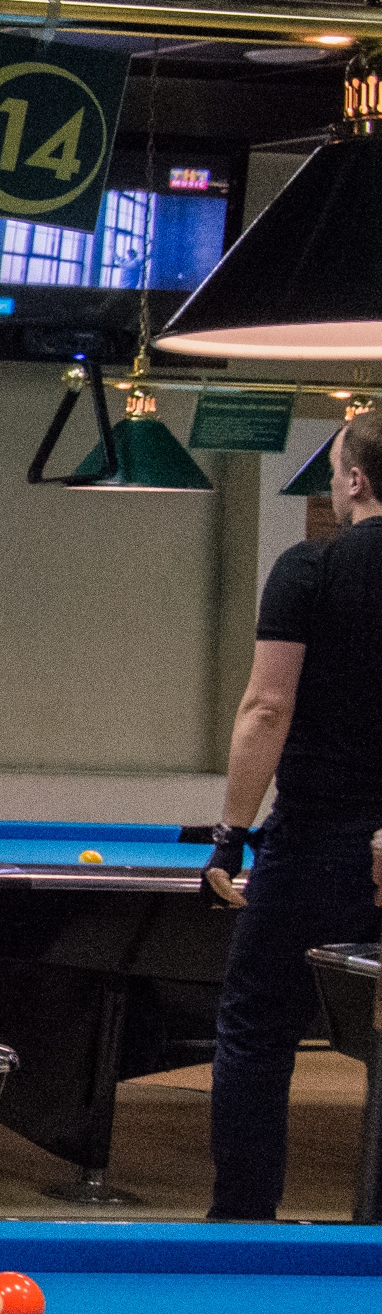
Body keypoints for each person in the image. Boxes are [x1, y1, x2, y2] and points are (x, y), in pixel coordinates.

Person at [203, 410, 382, 1220]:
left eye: (335, 469)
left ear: (356, 479)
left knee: (257, 1029)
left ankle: (242, 1220)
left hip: (313, 842)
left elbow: (267, 707)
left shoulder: (309, 567)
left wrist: (230, 836)